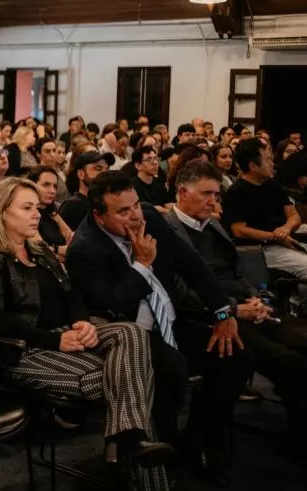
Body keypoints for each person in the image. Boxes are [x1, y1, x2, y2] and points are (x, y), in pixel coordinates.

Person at [0, 178, 171, 486]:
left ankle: (128, 442)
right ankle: (146, 471)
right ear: (2, 213)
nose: (37, 214)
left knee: (131, 333)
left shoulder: (41, 251)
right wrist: (56, 340)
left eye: (37, 207)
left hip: (66, 336)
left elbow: (73, 294)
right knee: (136, 375)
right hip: (23, 350)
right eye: (27, 208)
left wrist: (82, 322)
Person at [65, 171, 249, 485]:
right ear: (98, 215)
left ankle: (193, 442)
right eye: (123, 211)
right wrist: (142, 265)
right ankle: (163, 447)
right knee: (172, 368)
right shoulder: (84, 249)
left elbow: (189, 262)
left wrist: (222, 312)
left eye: (135, 205)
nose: (135, 215)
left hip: (169, 319)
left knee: (236, 357)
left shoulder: (148, 216)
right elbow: (115, 307)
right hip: (129, 335)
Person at [166, 162, 307, 449]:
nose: (213, 202)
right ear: (182, 192)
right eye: (206, 194)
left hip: (245, 305)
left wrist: (256, 298)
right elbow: (180, 291)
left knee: (302, 341)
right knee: (288, 361)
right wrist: (233, 308)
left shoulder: (213, 225)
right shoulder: (168, 230)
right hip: (210, 315)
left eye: (216, 195)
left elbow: (236, 272)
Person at [224, 137, 307, 281]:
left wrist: (286, 229)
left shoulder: (273, 185)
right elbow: (239, 230)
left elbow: (294, 216)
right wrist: (275, 236)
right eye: (268, 160)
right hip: (260, 249)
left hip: (284, 240)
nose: (272, 163)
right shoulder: (236, 192)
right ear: (253, 166)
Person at [26, 166, 73, 260]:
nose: (52, 191)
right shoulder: (29, 214)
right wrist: (58, 250)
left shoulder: (52, 212)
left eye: (55, 186)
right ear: (32, 185)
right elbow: (39, 250)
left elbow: (71, 239)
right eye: (46, 184)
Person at [58, 151, 114, 230]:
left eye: (107, 169)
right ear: (81, 174)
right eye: (98, 168)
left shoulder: (106, 202)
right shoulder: (73, 206)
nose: (104, 173)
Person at [131, 146, 169, 211]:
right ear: (138, 165)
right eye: (149, 160)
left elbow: (166, 203)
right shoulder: (132, 187)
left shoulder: (159, 185)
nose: (155, 162)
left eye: (156, 158)